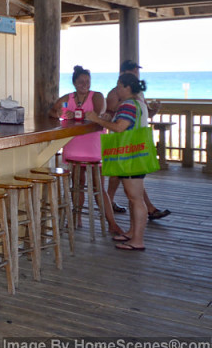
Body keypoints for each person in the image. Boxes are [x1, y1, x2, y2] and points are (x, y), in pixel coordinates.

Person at [48, 66, 120, 233]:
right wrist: (62, 113)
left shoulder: (96, 96)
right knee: (78, 184)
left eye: (87, 81)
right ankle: (76, 217)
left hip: (93, 148)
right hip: (73, 147)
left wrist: (77, 113)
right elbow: (53, 110)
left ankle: (111, 223)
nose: (84, 84)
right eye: (80, 81)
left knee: (99, 188)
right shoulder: (69, 98)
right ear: (74, 83)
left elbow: (98, 111)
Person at [87, 73, 153, 251]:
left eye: (119, 86)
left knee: (136, 198)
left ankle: (137, 240)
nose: (116, 90)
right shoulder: (139, 103)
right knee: (133, 198)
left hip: (130, 157)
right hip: (138, 154)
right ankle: (132, 232)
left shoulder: (128, 105)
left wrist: (97, 119)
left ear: (128, 88)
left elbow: (120, 127)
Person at [105, 60, 170, 221]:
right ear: (123, 73)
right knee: (126, 181)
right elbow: (112, 118)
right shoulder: (115, 94)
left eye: (137, 71)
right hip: (122, 143)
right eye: (133, 71)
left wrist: (155, 110)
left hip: (133, 144)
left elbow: (143, 115)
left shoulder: (138, 94)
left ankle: (112, 205)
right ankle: (110, 204)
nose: (136, 74)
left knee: (131, 182)